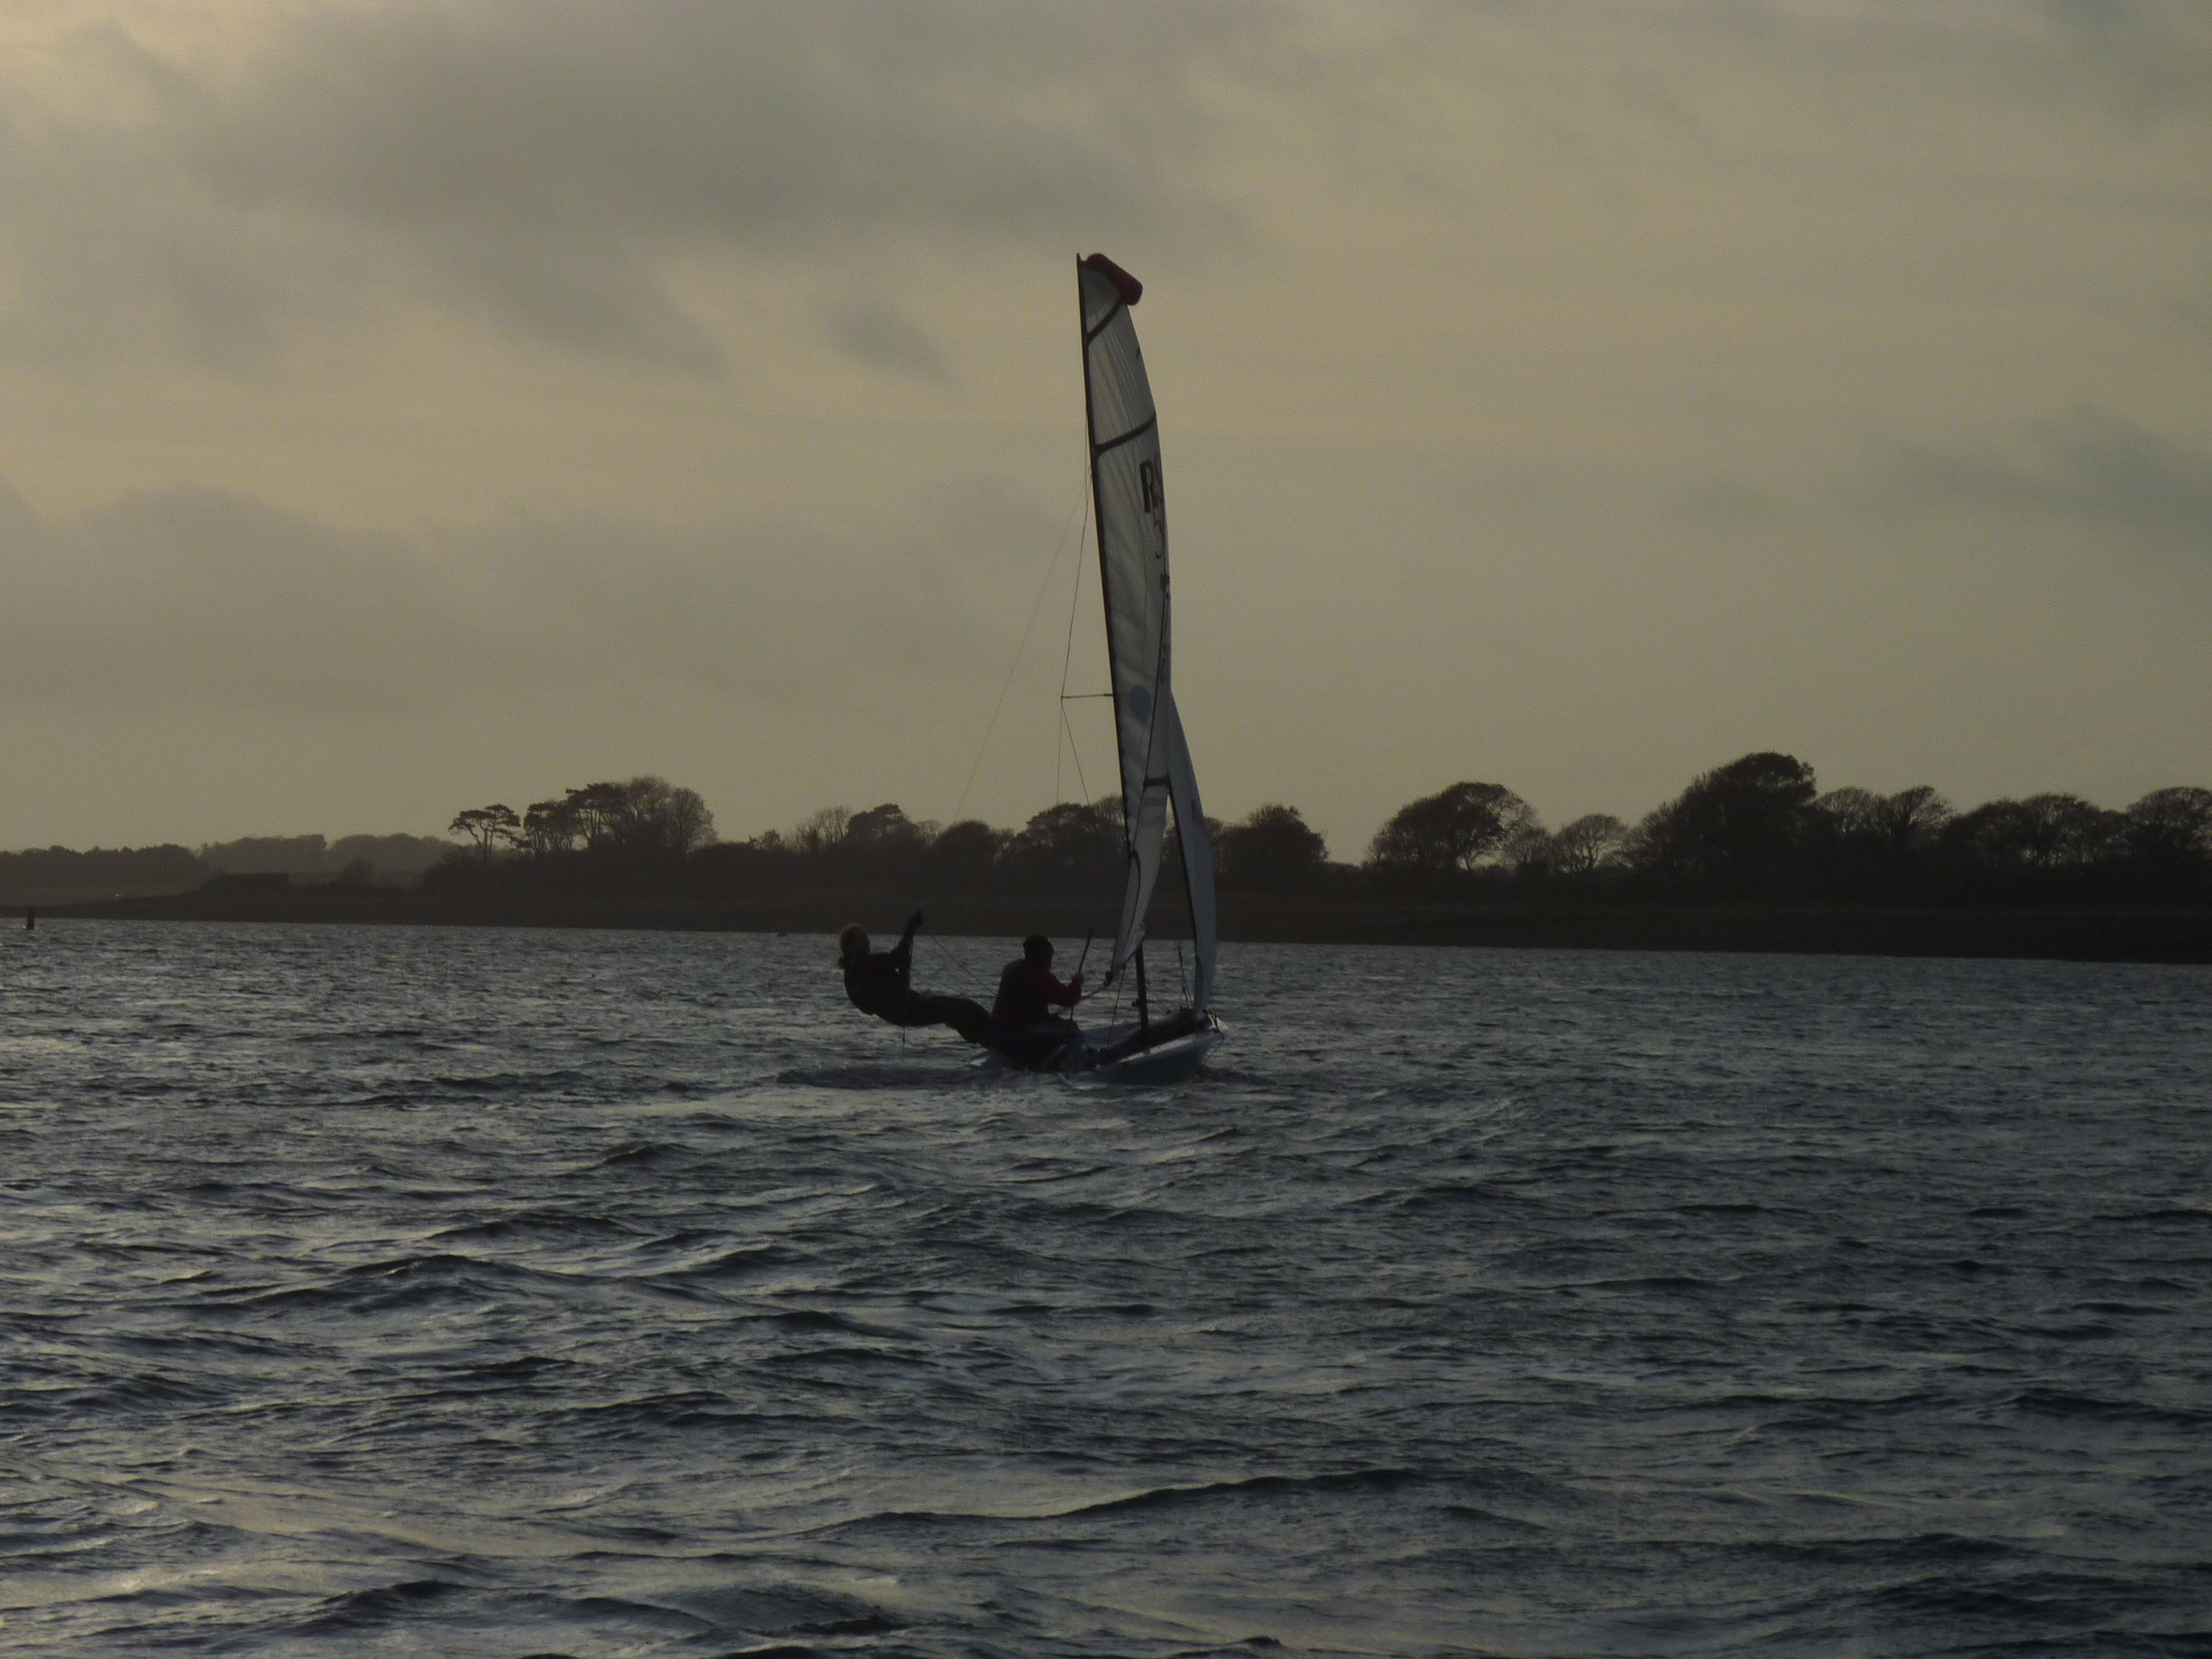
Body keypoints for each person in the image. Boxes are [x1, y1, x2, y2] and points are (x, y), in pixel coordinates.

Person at [837, 912, 991, 1044]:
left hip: (907, 1007)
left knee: (965, 1006)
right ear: (851, 945)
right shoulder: (861, 966)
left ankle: (990, 1035)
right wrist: (910, 928)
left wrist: (904, 969)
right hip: (907, 1010)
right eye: (862, 938)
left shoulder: (858, 968)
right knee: (957, 1011)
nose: (868, 941)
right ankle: (991, 1039)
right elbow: (898, 956)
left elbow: (898, 979)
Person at [986, 934, 1087, 1067]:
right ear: (1044, 956)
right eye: (1050, 956)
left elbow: (1031, 997)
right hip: (1018, 1035)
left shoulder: (1012, 968)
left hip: (996, 1033)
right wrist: (1076, 983)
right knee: (1074, 1033)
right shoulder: (1037, 974)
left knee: (1058, 1024)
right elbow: (1069, 998)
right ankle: (1059, 1067)